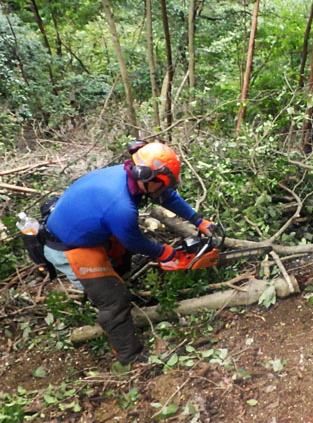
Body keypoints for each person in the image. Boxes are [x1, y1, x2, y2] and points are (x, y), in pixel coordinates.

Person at [43, 141, 216, 365]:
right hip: (69, 247)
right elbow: (133, 240)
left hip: (91, 231)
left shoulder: (132, 176)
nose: (165, 189)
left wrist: (198, 220)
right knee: (114, 300)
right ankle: (129, 356)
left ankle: (116, 282)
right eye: (162, 184)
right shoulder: (121, 206)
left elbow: (167, 196)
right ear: (147, 177)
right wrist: (165, 252)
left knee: (121, 261)